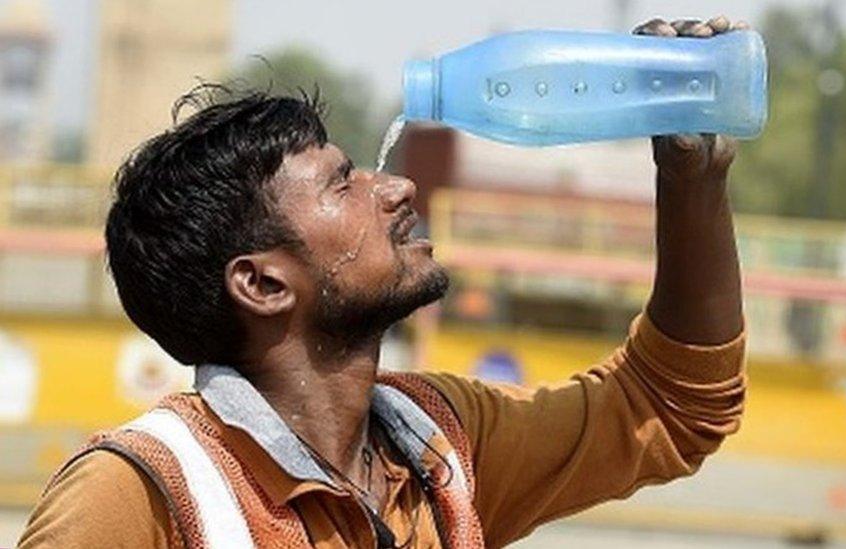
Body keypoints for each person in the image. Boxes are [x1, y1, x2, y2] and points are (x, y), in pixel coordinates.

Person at [20, 16, 748, 549]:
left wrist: (692, 182)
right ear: (264, 284)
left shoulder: (440, 447)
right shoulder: (140, 493)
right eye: (343, 185)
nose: (397, 188)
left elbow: (671, 404)